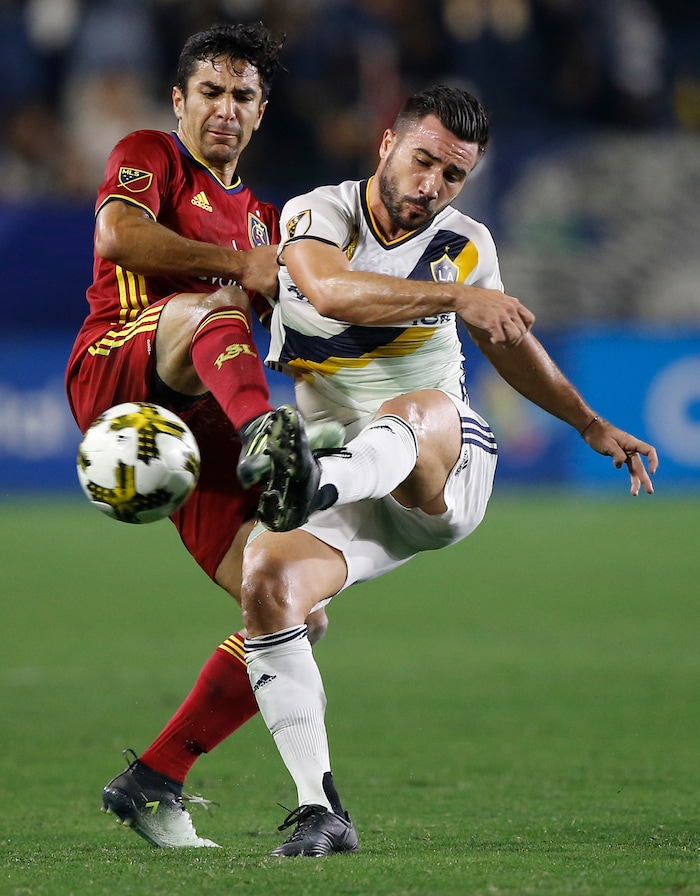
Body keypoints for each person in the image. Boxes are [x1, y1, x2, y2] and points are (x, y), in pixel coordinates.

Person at [235, 85, 658, 856]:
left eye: (453, 174)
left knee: (419, 405)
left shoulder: (466, 244)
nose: (431, 185)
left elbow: (505, 342)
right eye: (423, 160)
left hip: (442, 462)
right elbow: (329, 291)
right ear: (386, 145)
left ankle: (317, 482)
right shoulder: (318, 213)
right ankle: (320, 811)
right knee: (266, 583)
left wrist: (588, 422)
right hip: (351, 476)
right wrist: (457, 297)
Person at [65, 22, 340, 850]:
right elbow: (118, 236)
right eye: (211, 92)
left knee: (291, 604)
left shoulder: (264, 220)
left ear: (261, 111)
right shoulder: (149, 154)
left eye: (242, 95)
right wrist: (237, 271)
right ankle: (265, 432)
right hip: (118, 369)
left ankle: (155, 777)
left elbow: (302, 321)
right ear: (180, 100)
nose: (226, 108)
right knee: (214, 307)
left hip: (200, 420)